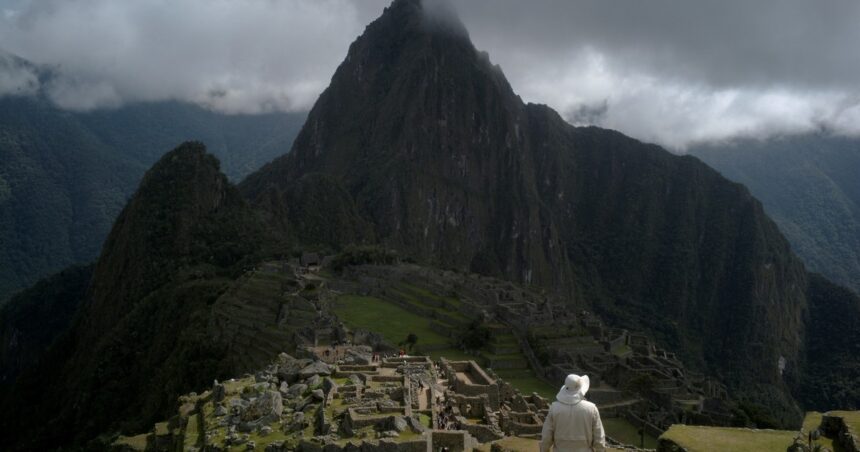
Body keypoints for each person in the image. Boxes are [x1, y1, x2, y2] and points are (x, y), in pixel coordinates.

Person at [540, 374, 605, 452]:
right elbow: (599, 439)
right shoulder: (591, 408)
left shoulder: (554, 408)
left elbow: (546, 437)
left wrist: (544, 450)